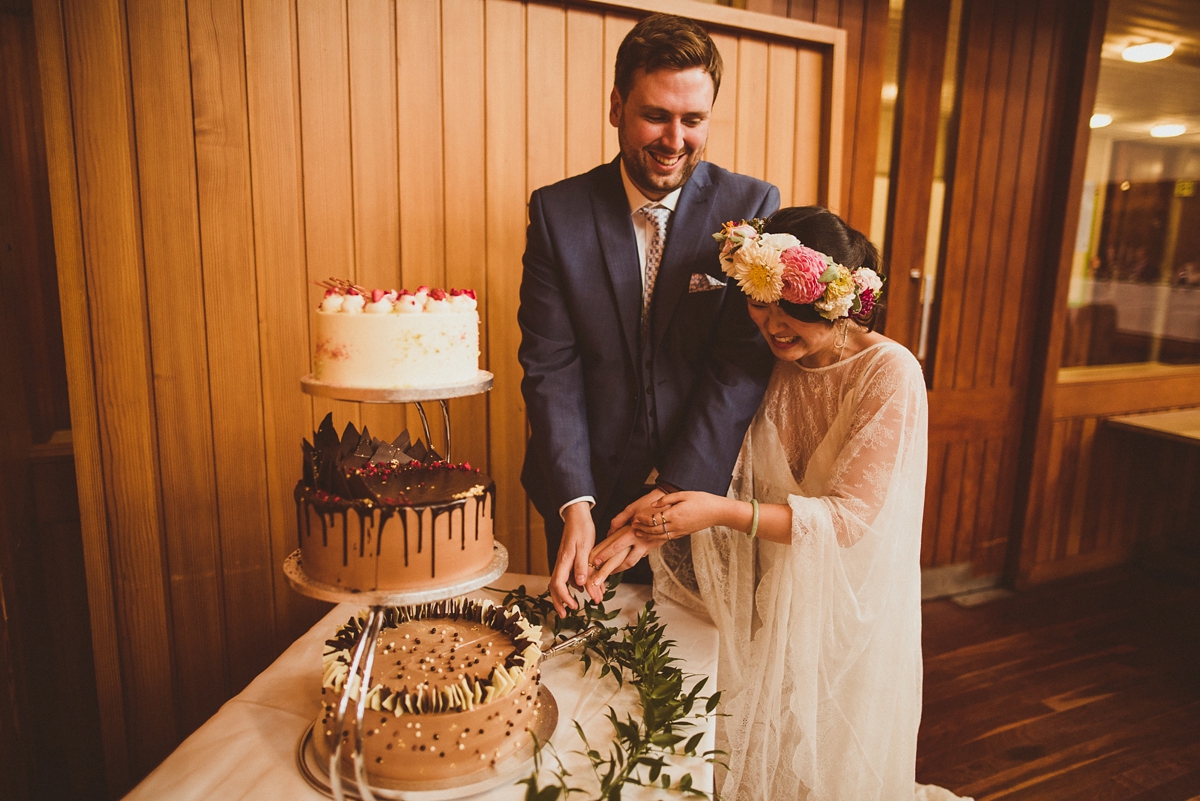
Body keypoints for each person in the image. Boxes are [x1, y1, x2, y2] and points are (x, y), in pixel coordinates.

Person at [589, 207, 971, 801]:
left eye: (793, 308)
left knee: (821, 743)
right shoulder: (765, 361)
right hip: (763, 583)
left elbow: (848, 520)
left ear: (841, 302)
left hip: (839, 595)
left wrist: (717, 512)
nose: (773, 324)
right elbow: (721, 449)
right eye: (760, 301)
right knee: (755, 731)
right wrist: (657, 513)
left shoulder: (889, 372)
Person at [518, 13, 779, 617]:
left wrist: (672, 496)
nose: (674, 139)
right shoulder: (558, 213)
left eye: (694, 120)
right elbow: (551, 365)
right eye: (655, 115)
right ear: (616, 106)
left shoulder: (752, 206)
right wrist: (574, 502)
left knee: (693, 661)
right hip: (586, 488)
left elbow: (738, 367)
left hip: (704, 484)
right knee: (589, 658)